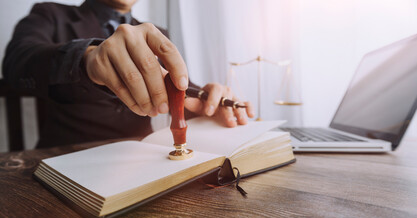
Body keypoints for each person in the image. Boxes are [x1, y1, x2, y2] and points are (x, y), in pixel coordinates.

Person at [2, 0, 254, 148]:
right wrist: (87, 58)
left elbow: (174, 88)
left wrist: (207, 100)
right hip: (64, 159)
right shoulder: (50, 14)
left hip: (142, 160)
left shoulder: (158, 32)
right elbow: (17, 62)